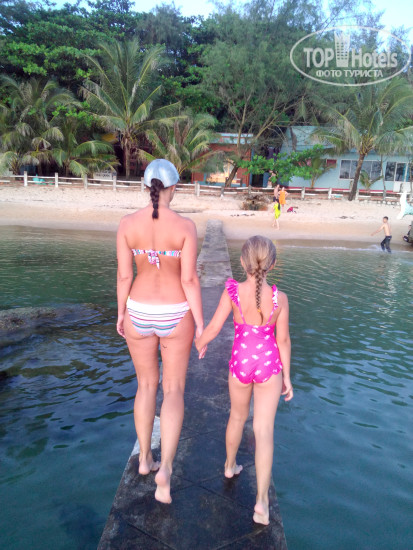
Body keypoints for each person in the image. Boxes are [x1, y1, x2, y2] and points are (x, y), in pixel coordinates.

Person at [116, 159, 204, 504]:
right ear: (174, 188)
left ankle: (144, 459)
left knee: (146, 386)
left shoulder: (127, 224)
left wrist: (121, 313)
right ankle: (164, 469)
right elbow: (189, 280)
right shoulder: (185, 226)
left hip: (138, 310)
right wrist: (199, 323)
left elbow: (125, 276)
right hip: (175, 312)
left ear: (145, 186)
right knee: (173, 389)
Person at [195, 236, 293, 525]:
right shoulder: (280, 298)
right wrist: (287, 376)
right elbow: (283, 340)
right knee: (264, 430)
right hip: (269, 366)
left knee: (237, 418)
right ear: (272, 264)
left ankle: (229, 466)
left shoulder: (233, 292)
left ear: (242, 262)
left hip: (240, 362)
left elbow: (214, 327)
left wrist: (199, 343)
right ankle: (261, 502)